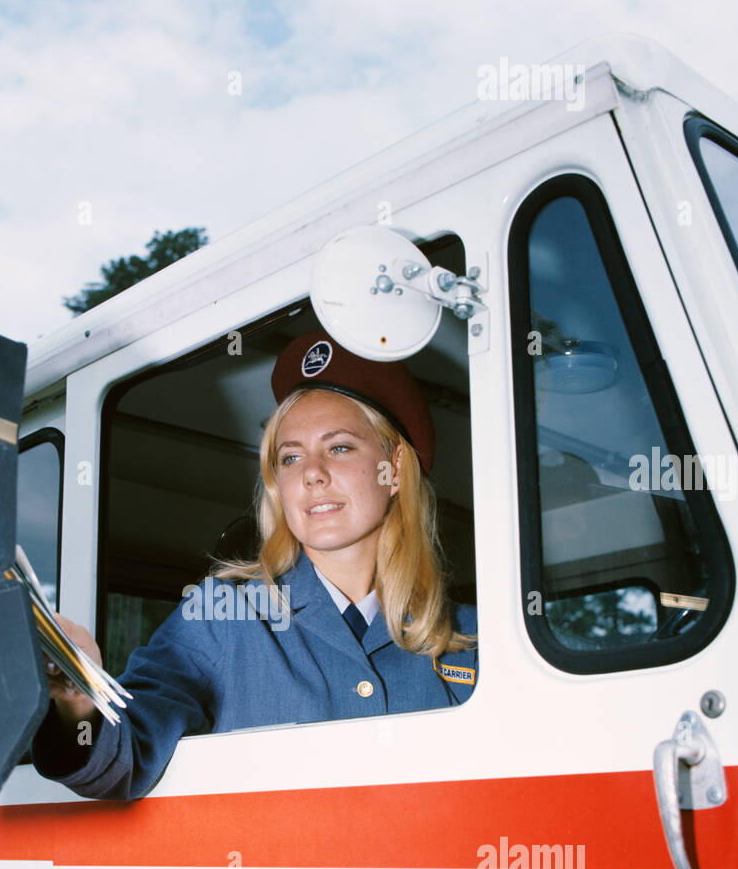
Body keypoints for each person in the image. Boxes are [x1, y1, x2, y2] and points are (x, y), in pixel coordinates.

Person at [32, 329, 477, 800]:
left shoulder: (469, 638)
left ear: (396, 469)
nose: (312, 473)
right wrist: (80, 701)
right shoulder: (223, 615)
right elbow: (127, 756)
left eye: (340, 447)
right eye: (290, 457)